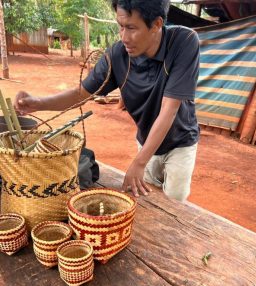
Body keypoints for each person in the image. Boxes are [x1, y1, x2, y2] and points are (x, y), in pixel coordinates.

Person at [14, 0, 200, 202]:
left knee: (175, 201)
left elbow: (169, 110)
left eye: (131, 28)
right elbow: (81, 94)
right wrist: (39, 103)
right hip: (146, 140)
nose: (124, 37)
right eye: (120, 27)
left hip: (180, 142)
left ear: (156, 24)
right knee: (149, 200)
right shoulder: (117, 55)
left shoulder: (184, 41)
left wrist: (139, 163)